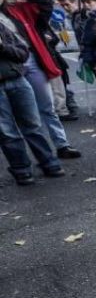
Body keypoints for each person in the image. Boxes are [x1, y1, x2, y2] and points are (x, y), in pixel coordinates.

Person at [0, 0, 81, 159]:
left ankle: (62, 145)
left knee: (47, 107)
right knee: (14, 118)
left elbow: (44, 1)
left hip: (30, 61)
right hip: (6, 67)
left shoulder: (18, 10)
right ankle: (31, 158)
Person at [0, 11, 64, 185]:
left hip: (17, 79)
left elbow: (23, 53)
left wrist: (3, 47)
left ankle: (49, 162)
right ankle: (21, 169)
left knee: (33, 124)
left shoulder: (2, 28)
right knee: (6, 131)